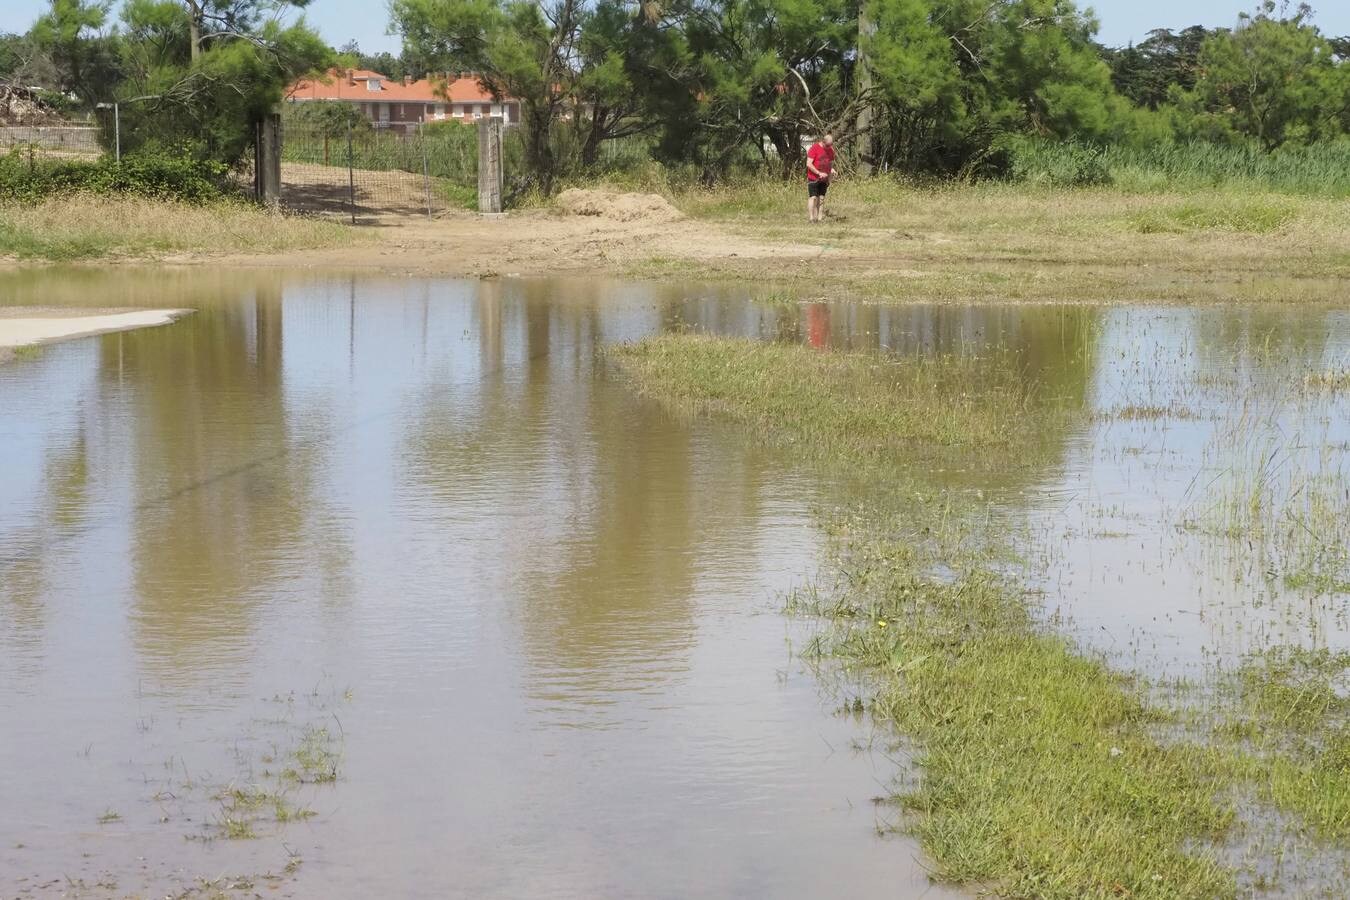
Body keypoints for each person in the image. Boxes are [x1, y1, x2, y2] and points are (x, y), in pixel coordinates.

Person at [805, 132, 836, 223]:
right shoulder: (814, 148)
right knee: (813, 197)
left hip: (824, 179)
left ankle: (820, 218)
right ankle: (811, 218)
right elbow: (809, 164)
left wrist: (831, 170)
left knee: (821, 198)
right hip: (813, 177)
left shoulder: (831, 150)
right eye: (827, 145)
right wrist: (819, 173)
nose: (829, 147)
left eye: (830, 145)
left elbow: (830, 163)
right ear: (823, 142)